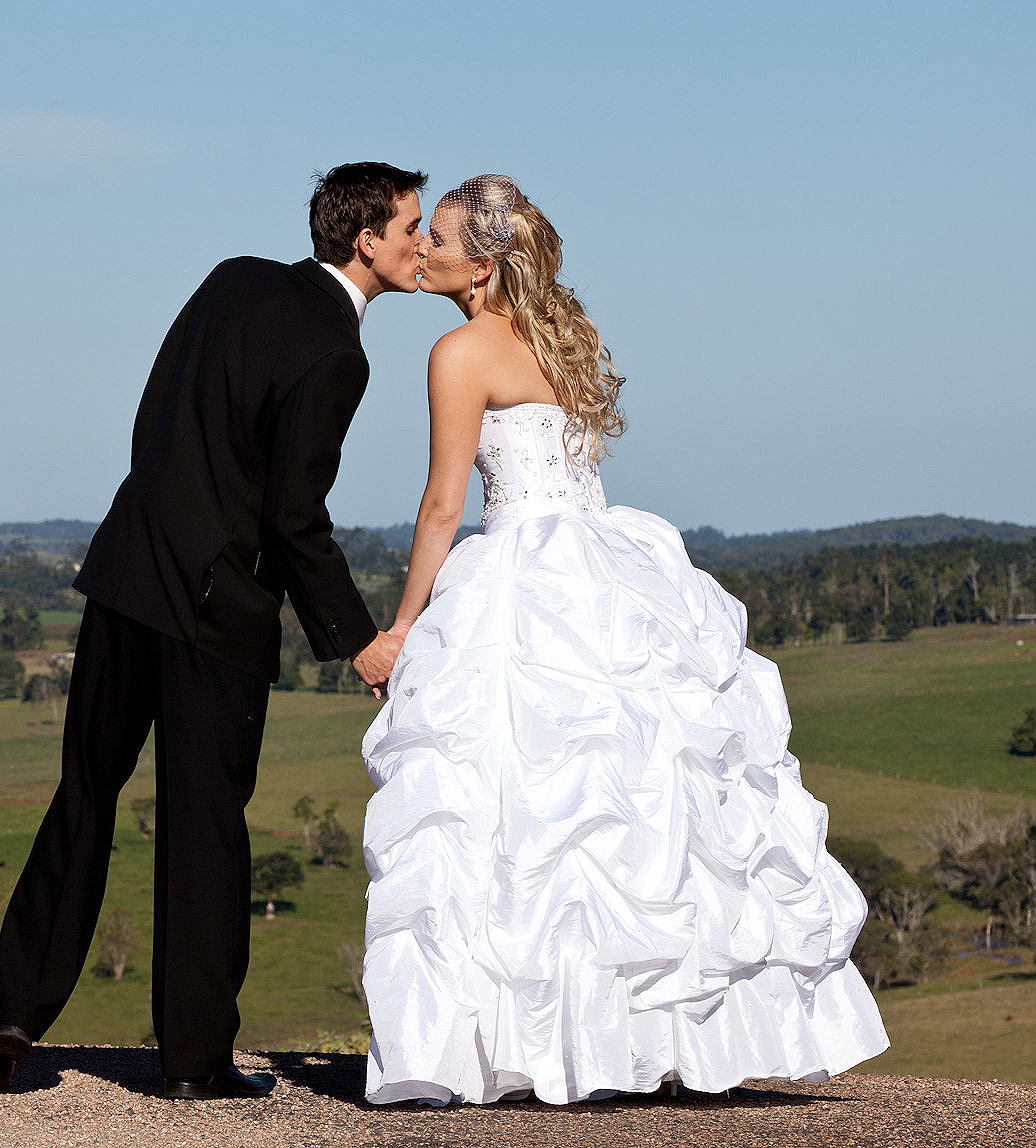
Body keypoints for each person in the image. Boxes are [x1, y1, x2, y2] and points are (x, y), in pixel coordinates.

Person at [359, 175, 889, 1106]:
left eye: (438, 238)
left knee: (525, 815)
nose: (424, 250)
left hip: (521, 567)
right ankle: (652, 1043)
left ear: (481, 264)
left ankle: (535, 1046)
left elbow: (444, 504)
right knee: (638, 816)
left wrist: (404, 626)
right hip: (608, 565)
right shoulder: (570, 337)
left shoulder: (459, 352)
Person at [0, 162, 422, 1101]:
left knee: (83, 795)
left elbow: (155, 419)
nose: (420, 244)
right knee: (204, 829)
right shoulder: (340, 357)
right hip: (217, 613)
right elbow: (296, 516)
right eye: (412, 226)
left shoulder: (231, 277)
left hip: (128, 575)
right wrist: (360, 639)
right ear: (365, 240)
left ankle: (10, 1027)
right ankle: (194, 1066)